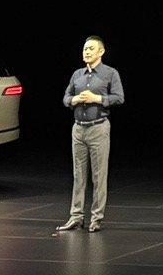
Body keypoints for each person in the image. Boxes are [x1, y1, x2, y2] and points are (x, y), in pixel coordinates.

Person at [55, 36, 125, 233]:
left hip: (98, 128)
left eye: (91, 49)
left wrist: (98, 98)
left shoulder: (110, 73)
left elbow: (119, 98)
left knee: (98, 176)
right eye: (85, 49)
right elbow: (66, 97)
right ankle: (76, 217)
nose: (86, 52)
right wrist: (74, 100)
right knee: (78, 175)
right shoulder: (77, 74)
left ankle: (96, 218)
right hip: (78, 129)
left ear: (101, 52)